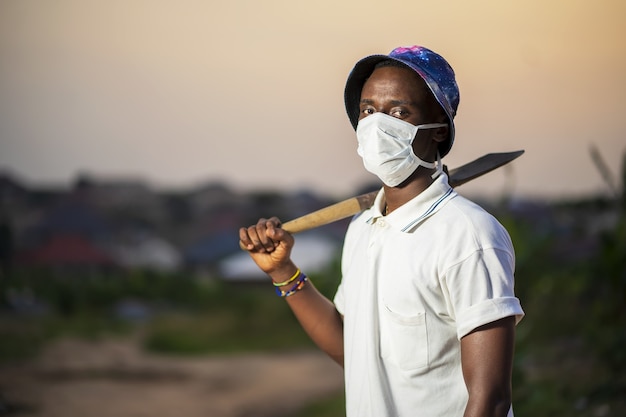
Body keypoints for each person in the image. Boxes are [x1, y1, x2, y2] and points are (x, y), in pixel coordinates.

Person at [239, 45, 524, 417]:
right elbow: (353, 350)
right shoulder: (363, 229)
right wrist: (283, 272)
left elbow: (490, 400)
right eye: (369, 111)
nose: (378, 124)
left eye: (399, 111)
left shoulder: (469, 235)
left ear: (438, 129)